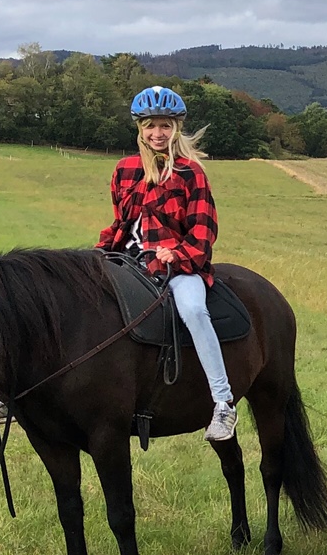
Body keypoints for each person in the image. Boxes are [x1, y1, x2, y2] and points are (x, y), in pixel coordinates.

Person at [96, 86, 236, 441]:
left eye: (165, 126)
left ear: (177, 129)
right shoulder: (125, 170)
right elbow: (120, 221)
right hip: (126, 258)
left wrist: (179, 253)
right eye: (150, 126)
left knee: (193, 310)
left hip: (177, 264)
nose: (157, 134)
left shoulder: (191, 173)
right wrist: (98, 252)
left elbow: (203, 230)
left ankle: (222, 403)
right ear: (139, 129)